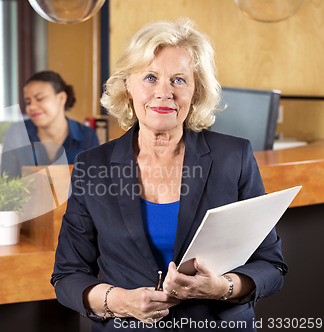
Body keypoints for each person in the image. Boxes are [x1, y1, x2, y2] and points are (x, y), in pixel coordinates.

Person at [51, 19, 287, 331]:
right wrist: (120, 302)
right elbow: (68, 275)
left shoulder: (235, 157)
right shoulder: (91, 166)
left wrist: (222, 287)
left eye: (179, 80)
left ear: (196, 91)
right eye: (150, 77)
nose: (164, 93)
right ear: (128, 86)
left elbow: (271, 266)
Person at [0, 70, 99, 178]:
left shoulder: (87, 136)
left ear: (61, 98)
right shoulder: (17, 132)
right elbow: (7, 185)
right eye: (28, 102)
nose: (31, 107)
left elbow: (93, 185)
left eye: (40, 99)